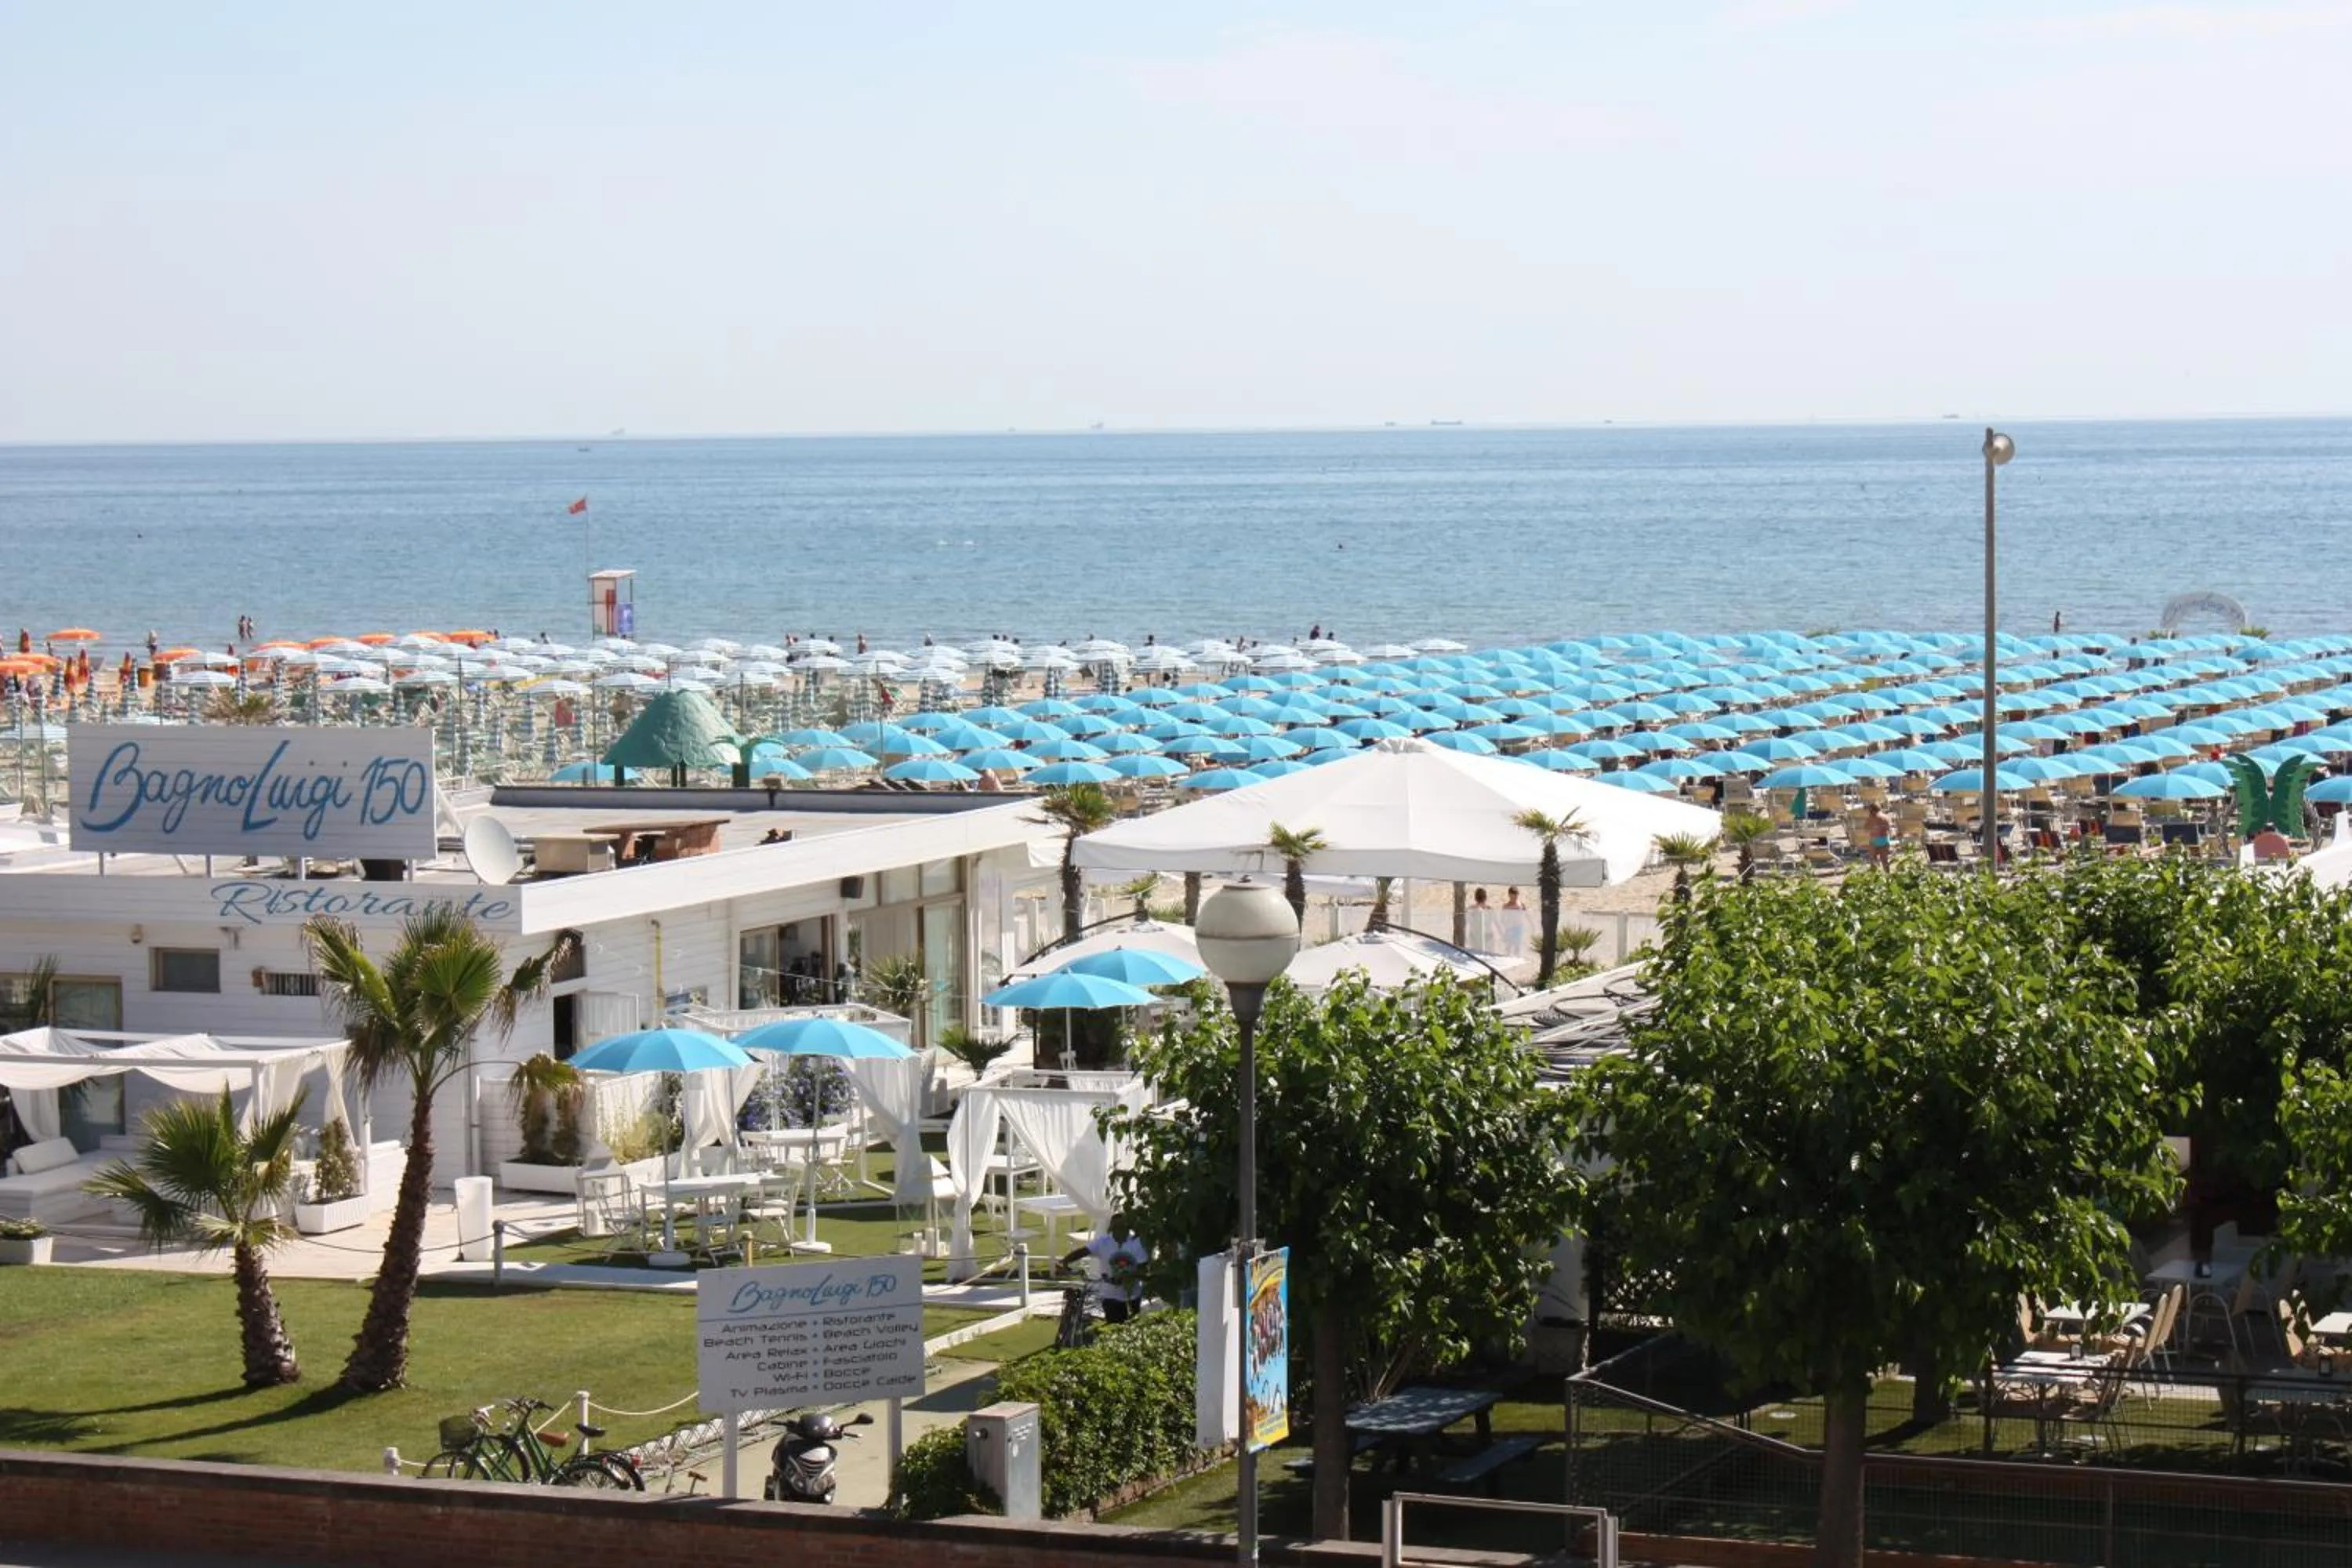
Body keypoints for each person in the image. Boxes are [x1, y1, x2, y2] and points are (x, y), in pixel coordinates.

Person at [1065, 1213, 1148, 1324]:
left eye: (1122, 1227)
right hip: (1110, 1295)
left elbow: (1143, 1268)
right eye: (1116, 1227)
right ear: (1111, 1229)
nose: (1119, 1230)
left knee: (1132, 1328)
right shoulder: (1103, 1242)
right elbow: (1084, 1251)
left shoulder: (1136, 1243)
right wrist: (1066, 1260)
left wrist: (1127, 1277)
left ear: (1128, 1228)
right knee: (1114, 1327)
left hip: (1132, 1295)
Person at [1498, 887, 1531, 956]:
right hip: (1509, 928)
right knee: (1508, 946)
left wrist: (1532, 924)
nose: (1515, 898)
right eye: (1513, 896)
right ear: (1509, 895)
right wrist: (1506, 925)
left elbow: (1527, 915)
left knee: (1517, 946)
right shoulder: (1506, 906)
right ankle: (1508, 958)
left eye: (1516, 896)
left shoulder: (1521, 905)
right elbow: (1502, 918)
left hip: (1519, 928)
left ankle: (1517, 958)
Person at [1862, 804, 1894, 869]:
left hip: (1875, 840)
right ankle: (1888, 876)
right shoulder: (1886, 817)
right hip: (1885, 840)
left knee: (1873, 860)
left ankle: (1875, 876)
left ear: (1872, 810)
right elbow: (1890, 830)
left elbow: (1865, 829)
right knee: (1885, 860)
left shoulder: (1872, 817)